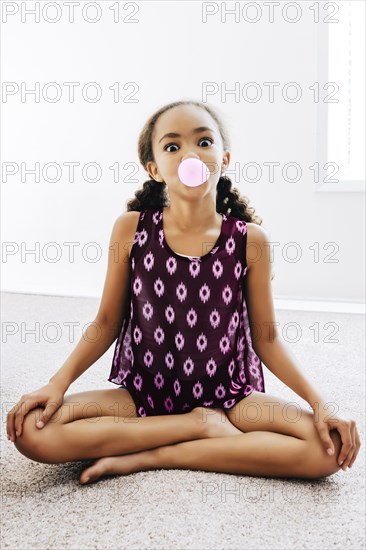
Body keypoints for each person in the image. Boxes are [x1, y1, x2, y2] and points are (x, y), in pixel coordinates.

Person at [7, 100, 361, 485]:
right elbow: (107, 321)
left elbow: (267, 338)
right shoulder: (130, 230)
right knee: (31, 430)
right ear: (155, 169)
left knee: (329, 449)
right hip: (144, 395)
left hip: (230, 398)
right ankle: (196, 427)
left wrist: (319, 403)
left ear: (224, 158)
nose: (190, 154)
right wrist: (57, 384)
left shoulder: (250, 241)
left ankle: (151, 455)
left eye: (204, 141)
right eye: (173, 146)